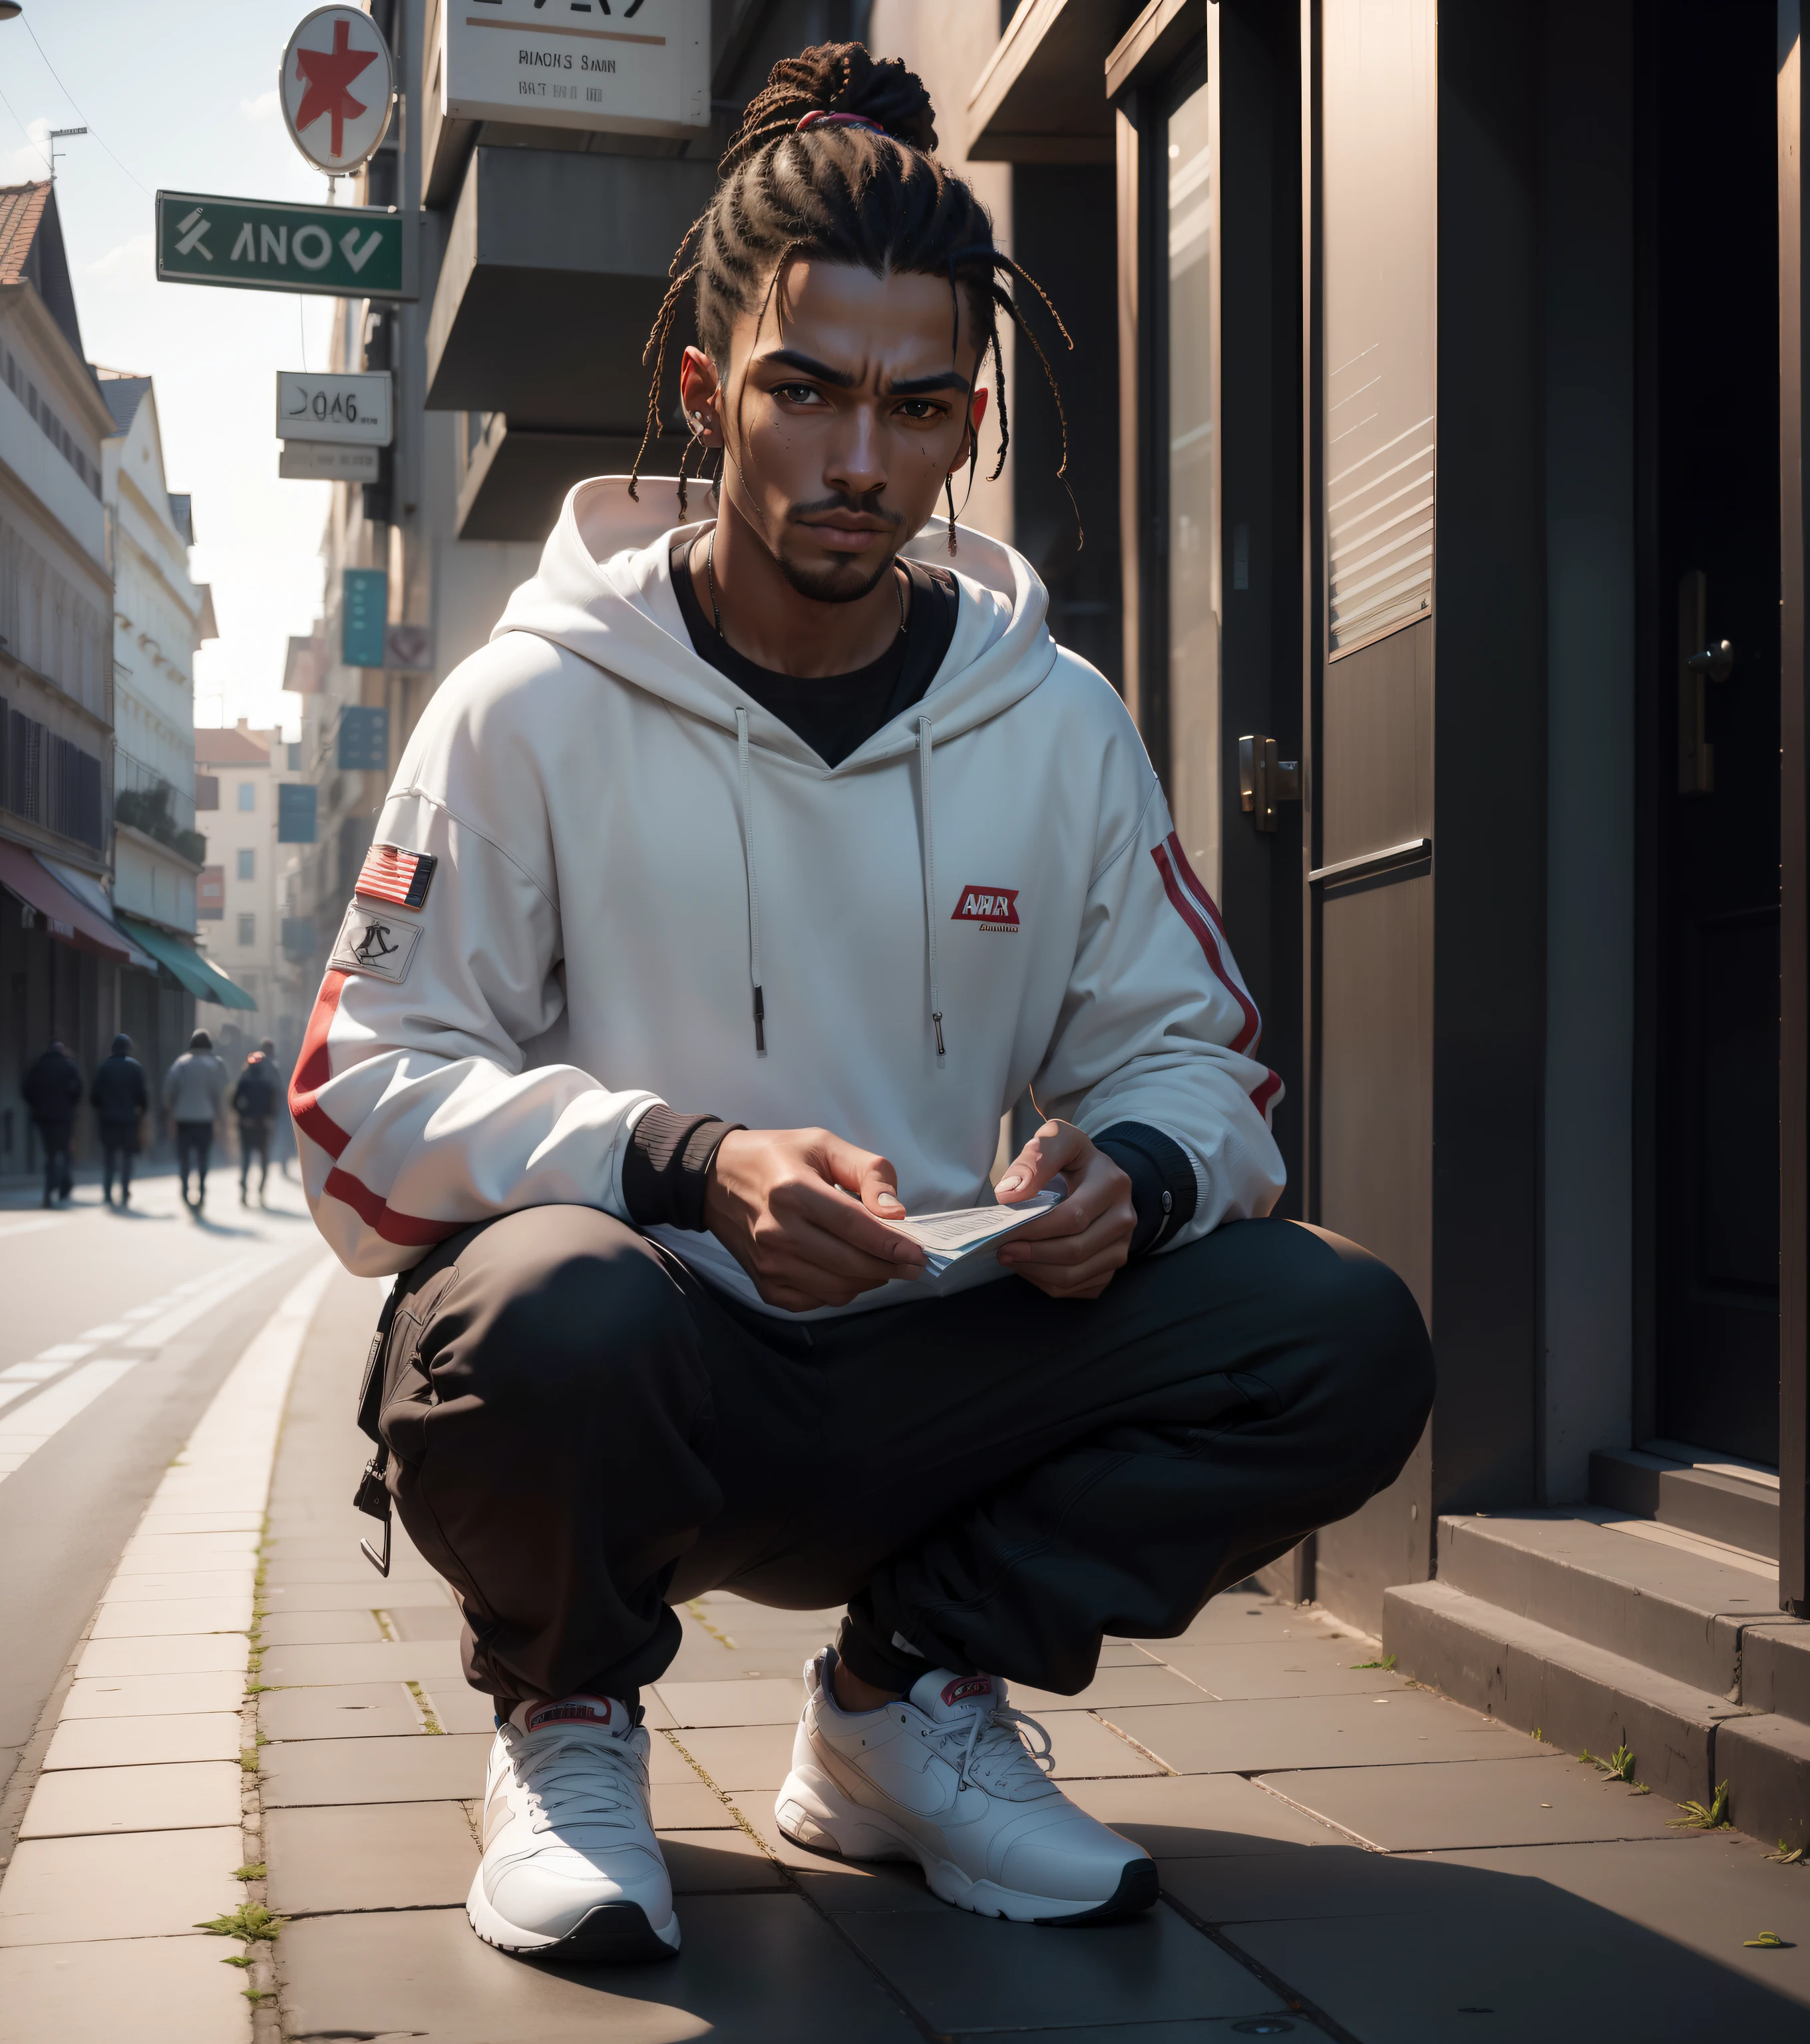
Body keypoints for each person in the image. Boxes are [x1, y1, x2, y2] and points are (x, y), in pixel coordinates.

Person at [294, 45, 1434, 1967]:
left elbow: (1200, 1056)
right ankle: (567, 1723)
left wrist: (1138, 1176)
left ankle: (908, 1705)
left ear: (965, 424)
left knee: (1338, 1333)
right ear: (703, 393)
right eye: (805, 393)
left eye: (913, 411)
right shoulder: (531, 703)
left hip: (943, 1371)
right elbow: (356, 1102)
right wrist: (682, 1158)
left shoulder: (1052, 720)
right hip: (656, 1372)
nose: (854, 461)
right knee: (530, 1311)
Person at [163, 1029, 227, 1210]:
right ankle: (201, 1192)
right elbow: (218, 1095)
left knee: (184, 1157)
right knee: (203, 1157)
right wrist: (221, 1121)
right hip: (205, 1119)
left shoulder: (180, 1064)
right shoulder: (213, 1065)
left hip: (183, 1119)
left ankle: (184, 1190)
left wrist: (171, 1115)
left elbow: (169, 1093)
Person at [20, 1039, 80, 1208]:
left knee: (51, 1155)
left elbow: (26, 1090)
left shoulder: (39, 1066)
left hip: (44, 1118)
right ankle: (62, 1186)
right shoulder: (69, 1066)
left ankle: (50, 1189)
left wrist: (37, 1105)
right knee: (64, 1153)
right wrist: (70, 1105)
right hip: (64, 1118)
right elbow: (78, 1090)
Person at [90, 1033, 148, 1208]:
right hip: (129, 1120)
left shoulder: (104, 1068)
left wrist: (102, 1109)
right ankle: (124, 1191)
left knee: (109, 1156)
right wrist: (141, 1111)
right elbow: (143, 1096)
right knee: (127, 1157)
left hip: (108, 1119)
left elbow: (94, 1096)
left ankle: (107, 1192)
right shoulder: (135, 1067)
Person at [234, 1040, 279, 1204]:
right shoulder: (268, 1083)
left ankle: (245, 1191)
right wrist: (270, 1118)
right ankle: (260, 1192)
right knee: (263, 1161)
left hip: (247, 1126)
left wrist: (243, 1116)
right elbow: (275, 1104)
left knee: (246, 1160)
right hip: (263, 1126)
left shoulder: (243, 1082)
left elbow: (234, 1102)